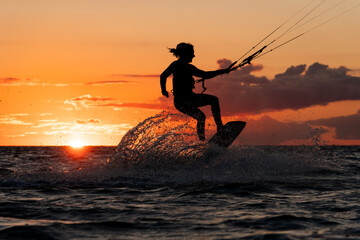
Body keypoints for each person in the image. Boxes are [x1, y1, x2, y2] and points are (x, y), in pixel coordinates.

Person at [160, 42, 231, 141]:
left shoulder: (181, 66)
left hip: (184, 100)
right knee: (212, 101)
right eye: (192, 53)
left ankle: (202, 141)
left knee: (202, 116)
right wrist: (222, 71)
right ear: (185, 54)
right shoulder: (182, 66)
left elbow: (163, 76)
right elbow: (205, 75)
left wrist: (164, 90)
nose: (194, 55)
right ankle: (219, 127)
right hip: (183, 101)